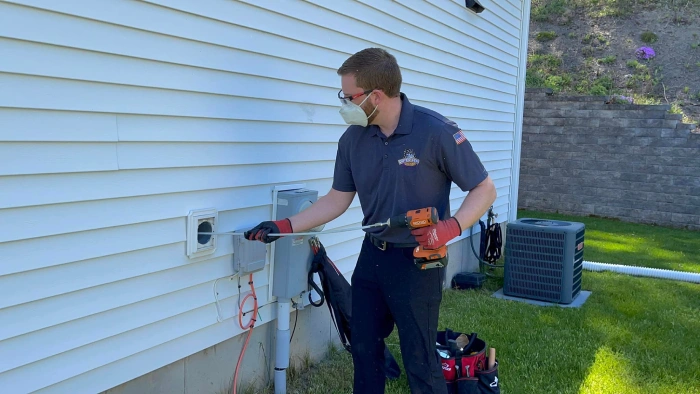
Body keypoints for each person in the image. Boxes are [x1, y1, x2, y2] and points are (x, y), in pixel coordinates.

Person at [245, 47, 497, 394]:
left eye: (349, 96)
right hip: (373, 258)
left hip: (418, 263)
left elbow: (484, 189)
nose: (345, 103)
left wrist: (449, 228)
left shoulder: (436, 132)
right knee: (364, 350)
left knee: (420, 360)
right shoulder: (352, 140)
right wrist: (285, 227)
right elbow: (336, 199)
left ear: (376, 96)